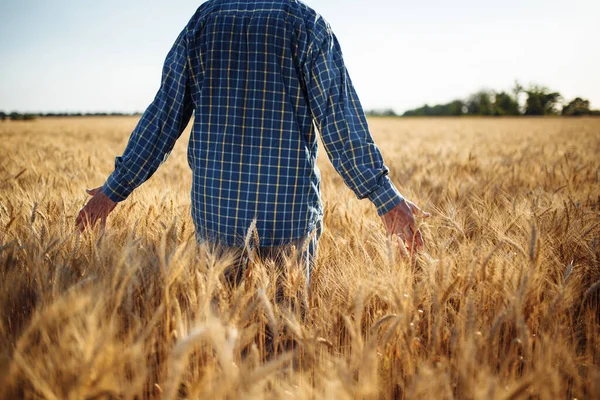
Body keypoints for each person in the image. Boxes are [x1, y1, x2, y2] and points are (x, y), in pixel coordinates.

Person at [75, 0, 428, 282]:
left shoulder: (201, 24)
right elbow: (340, 122)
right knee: (285, 343)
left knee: (222, 345)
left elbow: (162, 120)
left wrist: (111, 193)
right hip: (287, 222)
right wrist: (385, 198)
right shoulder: (306, 24)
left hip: (217, 222)